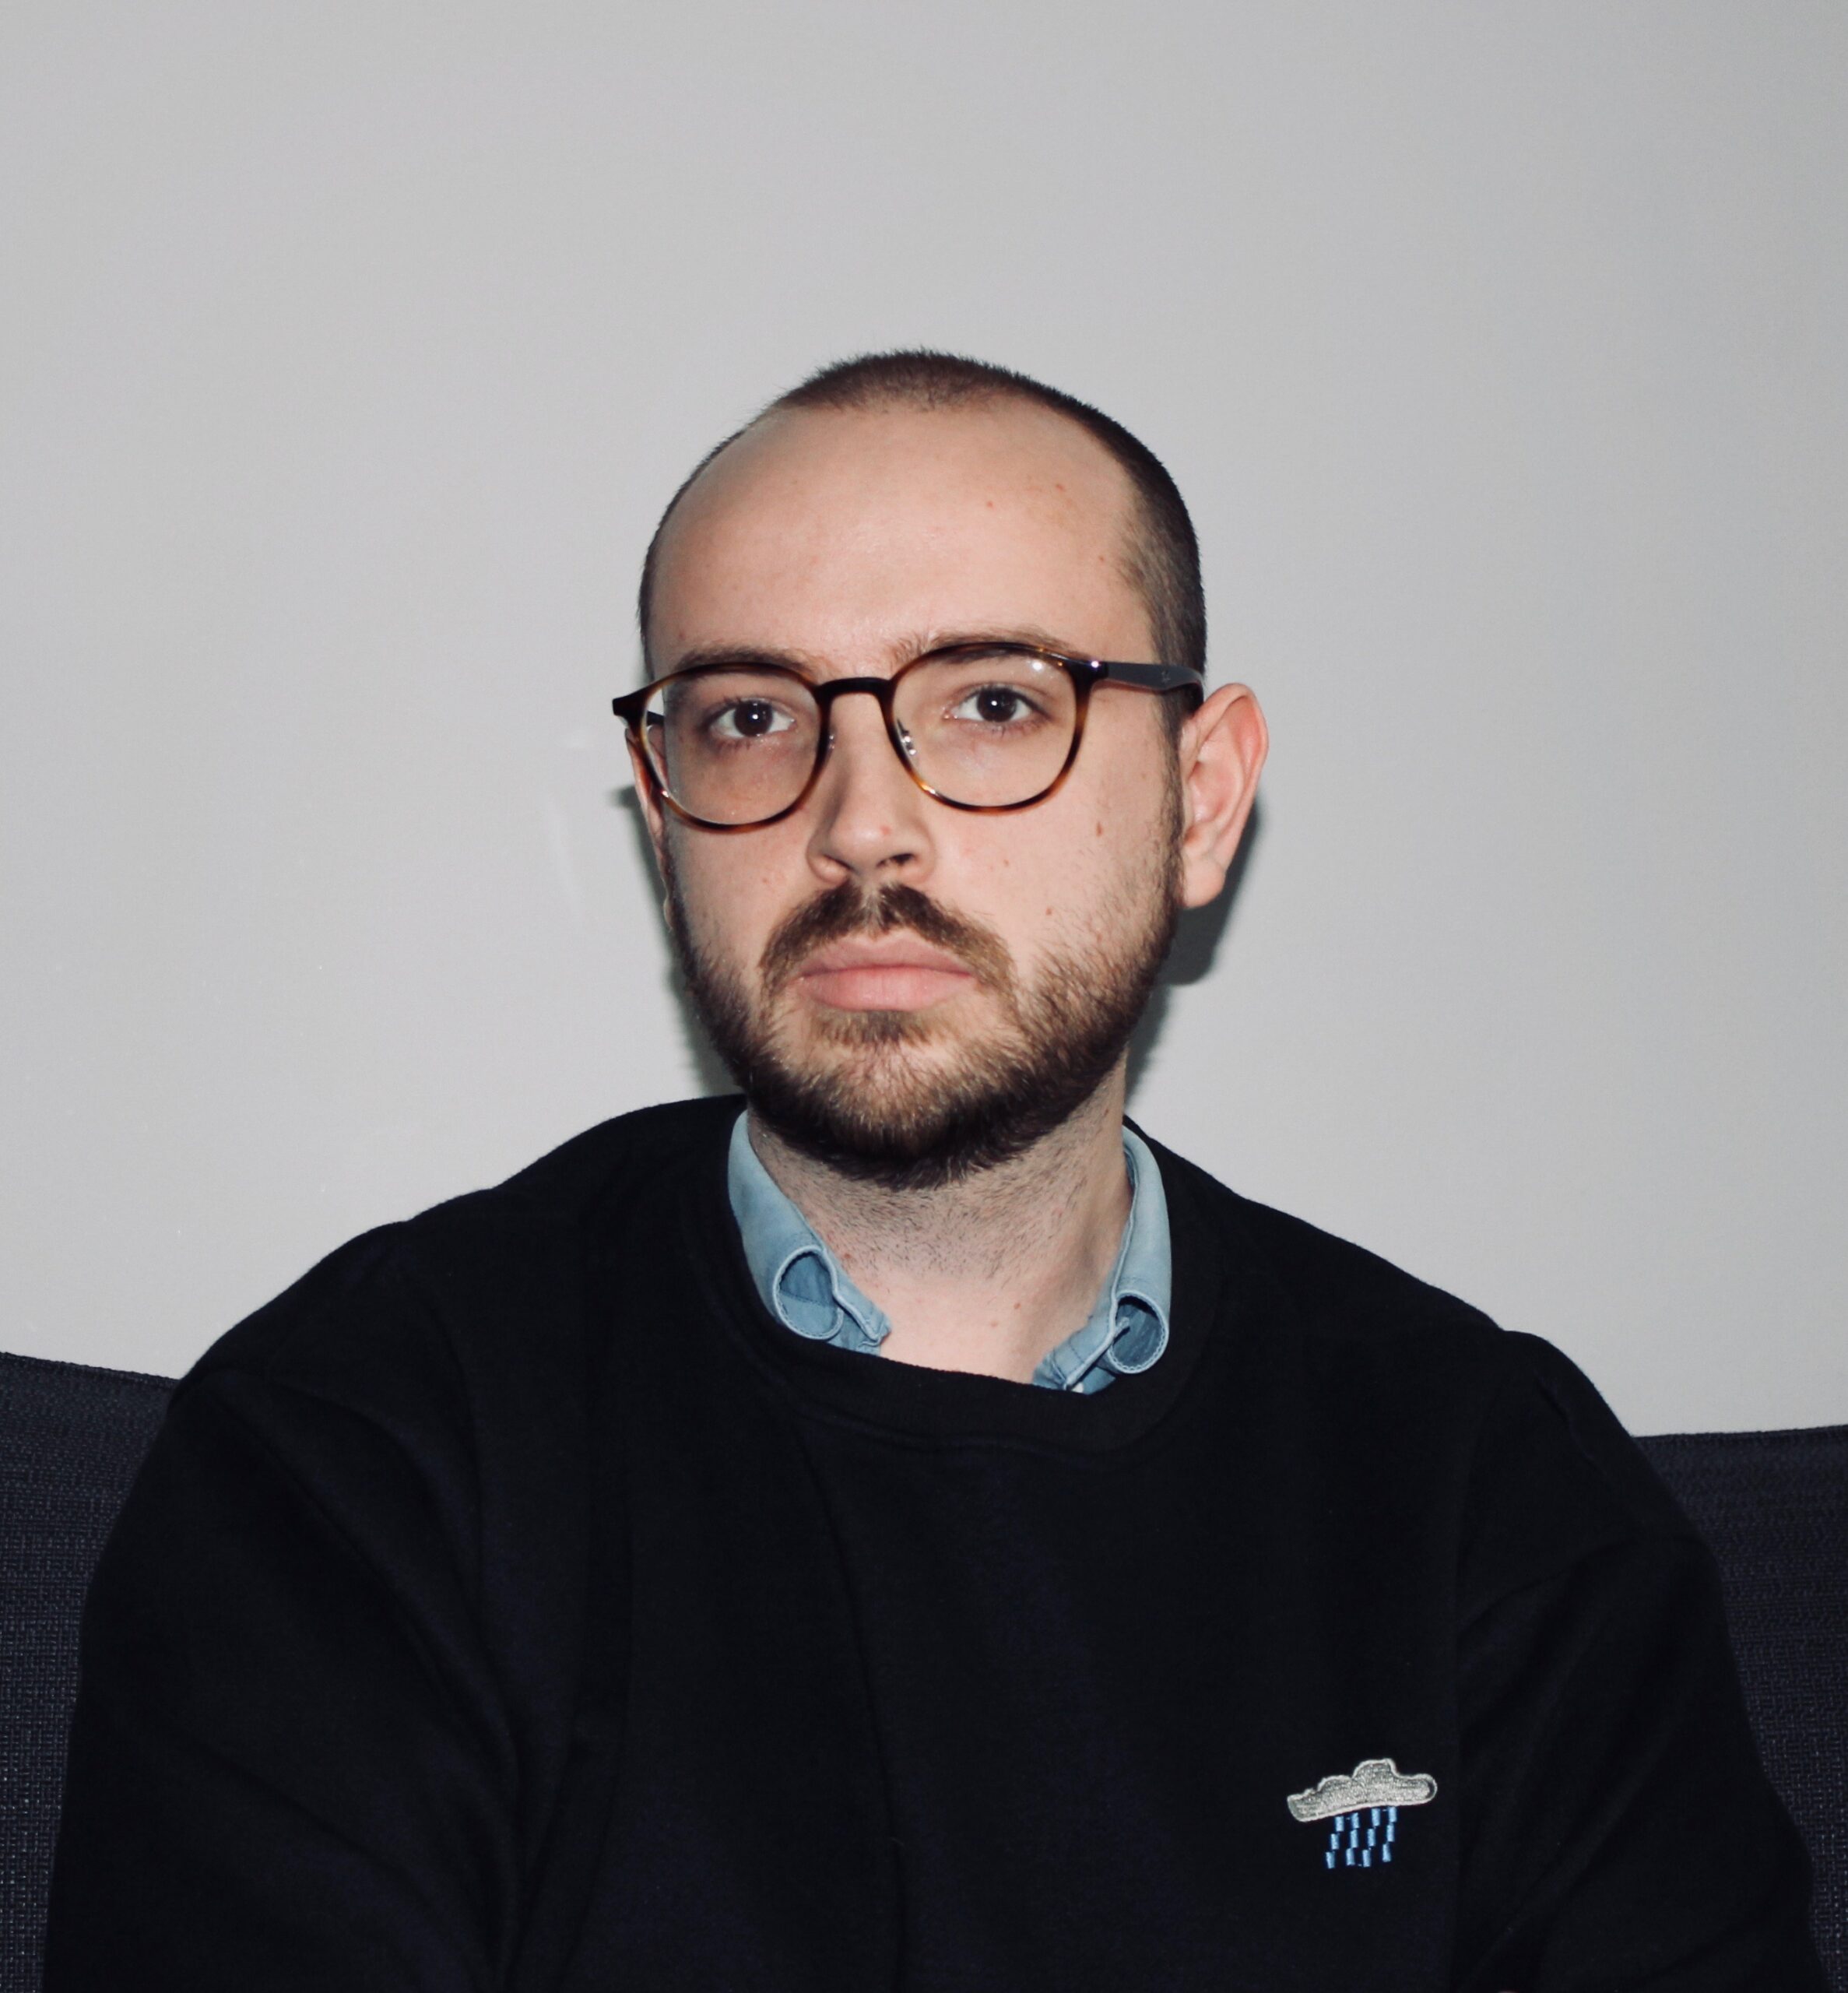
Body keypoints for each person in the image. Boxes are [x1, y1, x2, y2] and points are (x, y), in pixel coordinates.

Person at [45, 352, 1823, 1991]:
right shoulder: (363, 1449)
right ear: (659, 810)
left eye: (987, 699)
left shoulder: (1483, 1487)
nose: (859, 818)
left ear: (1201, 797)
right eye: (749, 716)